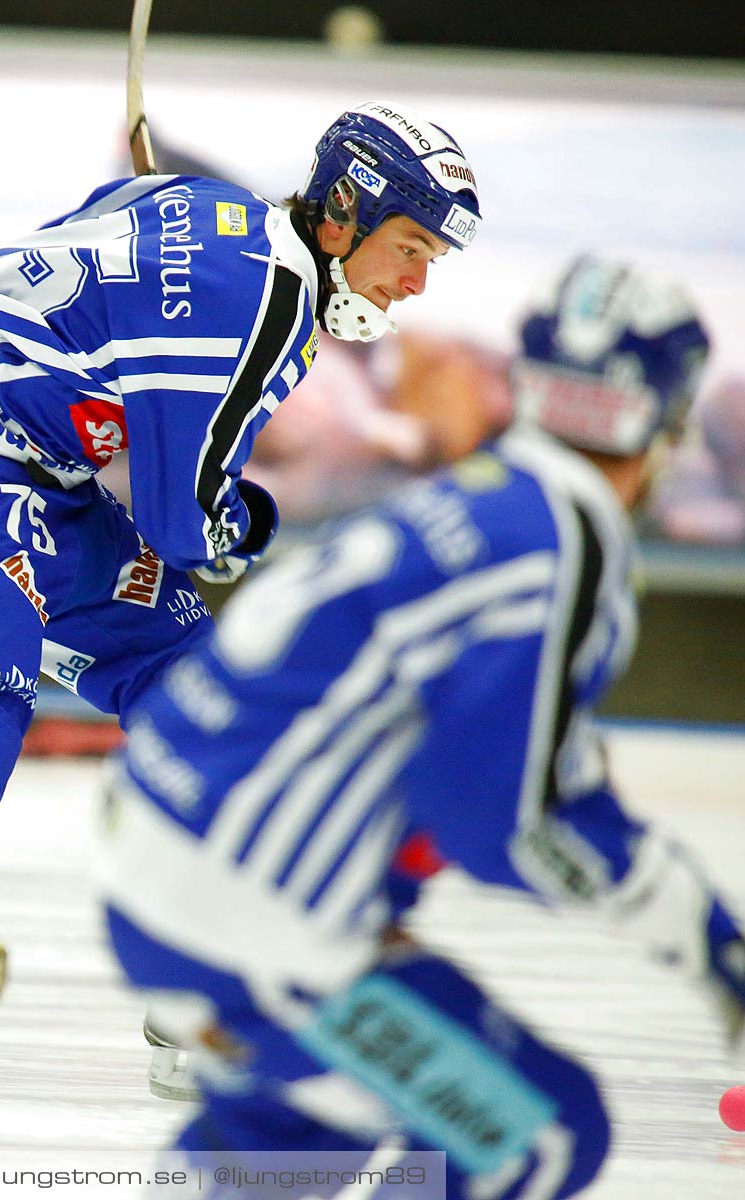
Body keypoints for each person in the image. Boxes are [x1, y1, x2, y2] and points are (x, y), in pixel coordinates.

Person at [0, 101, 485, 1102]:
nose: (416, 283)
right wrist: (246, 523)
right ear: (341, 214)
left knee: (209, 699)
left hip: (41, 486)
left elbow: (89, 257)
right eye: (411, 246)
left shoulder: (203, 207)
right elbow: (178, 522)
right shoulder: (262, 304)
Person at [98, 257, 739, 1198]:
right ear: (661, 417)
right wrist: (712, 944)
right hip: (254, 919)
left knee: (292, 1139)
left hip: (168, 873)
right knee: (537, 1134)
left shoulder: (476, 496)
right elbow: (503, 818)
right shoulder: (563, 536)